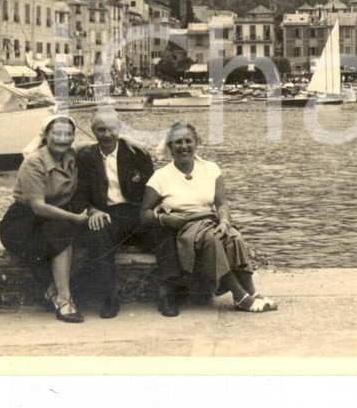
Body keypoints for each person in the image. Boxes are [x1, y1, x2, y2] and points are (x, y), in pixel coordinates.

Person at [142, 121, 278, 313]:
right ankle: (241, 297)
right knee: (213, 240)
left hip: (210, 220)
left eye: (188, 141)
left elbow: (221, 203)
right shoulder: (160, 176)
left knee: (234, 237)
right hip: (185, 226)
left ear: (196, 143)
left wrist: (224, 221)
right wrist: (164, 219)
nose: (184, 146)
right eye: (178, 142)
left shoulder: (211, 168)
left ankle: (252, 293)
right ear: (170, 147)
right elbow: (145, 213)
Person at [74, 110, 183, 318]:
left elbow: (152, 186)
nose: (107, 134)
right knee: (97, 234)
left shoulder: (136, 153)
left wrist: (156, 208)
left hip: (136, 211)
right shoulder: (85, 157)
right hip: (106, 214)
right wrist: (92, 210)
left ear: (120, 128)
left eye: (112, 129)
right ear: (93, 131)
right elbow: (79, 193)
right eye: (101, 130)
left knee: (164, 231)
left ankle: (167, 293)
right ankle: (109, 296)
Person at [0, 115, 89, 323]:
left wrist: (130, 140)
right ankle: (64, 301)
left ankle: (52, 291)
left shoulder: (71, 154)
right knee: (63, 233)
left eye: (67, 134)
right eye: (56, 133)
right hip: (23, 222)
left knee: (84, 236)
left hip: (53, 219)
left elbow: (99, 143)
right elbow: (38, 207)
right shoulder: (34, 162)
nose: (62, 139)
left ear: (73, 138)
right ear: (46, 135)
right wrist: (76, 218)